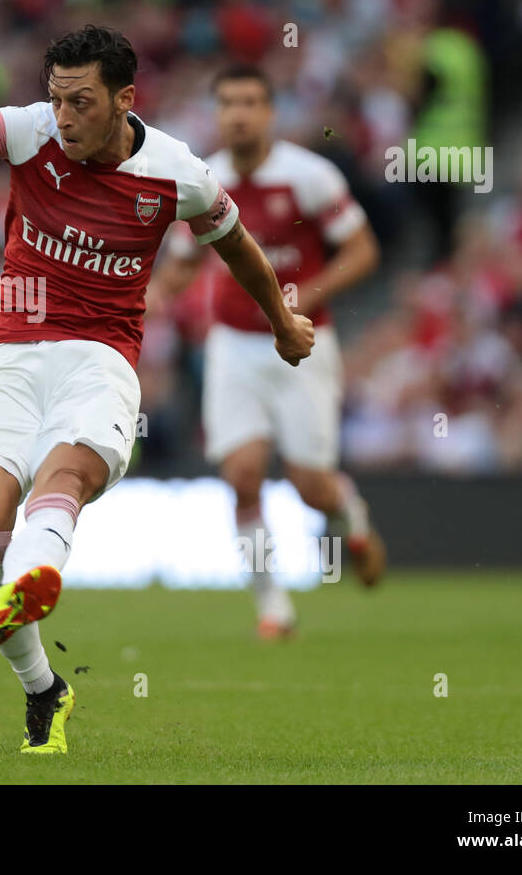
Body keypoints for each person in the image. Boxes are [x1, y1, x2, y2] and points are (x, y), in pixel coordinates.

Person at [0, 27, 314, 753]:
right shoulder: (29, 132)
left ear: (124, 99)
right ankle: (45, 688)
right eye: (56, 99)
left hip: (100, 357)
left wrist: (283, 322)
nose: (64, 117)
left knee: (66, 472)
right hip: (9, 352)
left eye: (81, 102)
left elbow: (237, 246)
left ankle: (35, 574)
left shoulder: (178, 173)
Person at [148, 62, 385, 640]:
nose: (239, 114)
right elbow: (182, 265)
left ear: (271, 112)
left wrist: (301, 299)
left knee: (309, 486)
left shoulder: (310, 176)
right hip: (233, 345)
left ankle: (347, 511)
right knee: (243, 474)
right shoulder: (204, 181)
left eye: (250, 102)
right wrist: (150, 298)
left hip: (303, 346)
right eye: (228, 103)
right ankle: (272, 605)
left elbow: (362, 251)